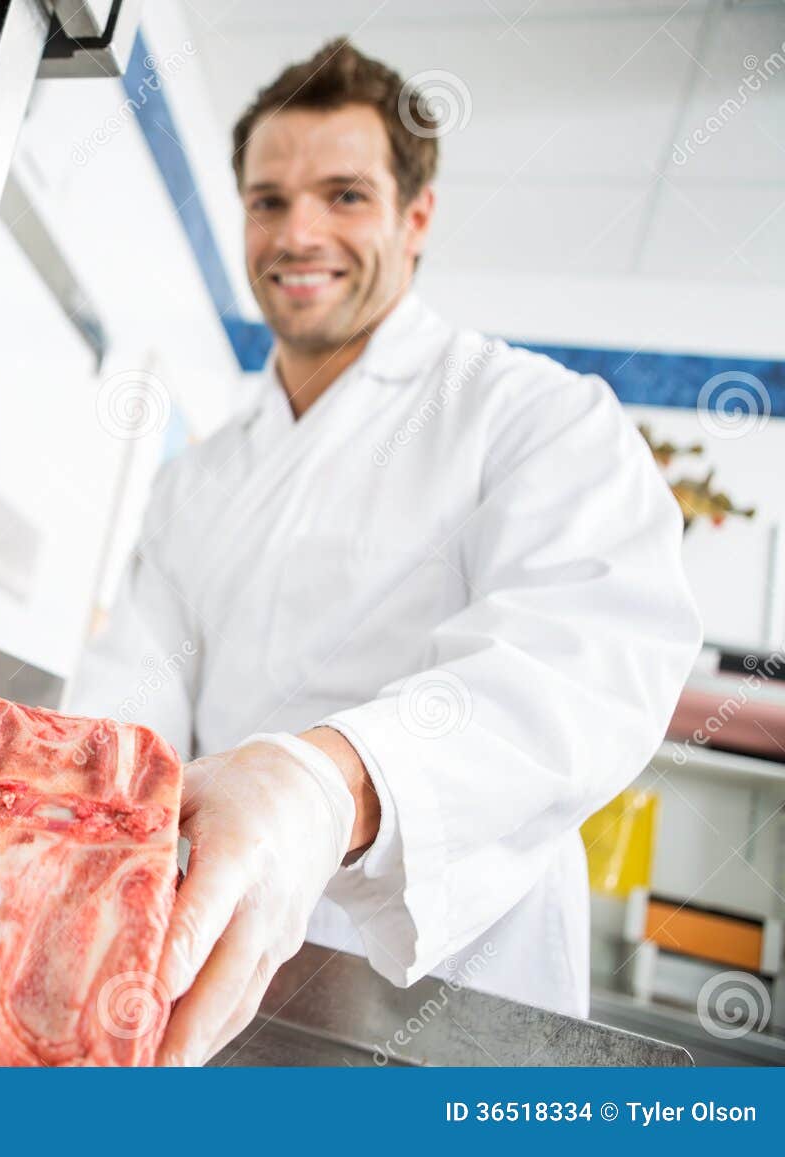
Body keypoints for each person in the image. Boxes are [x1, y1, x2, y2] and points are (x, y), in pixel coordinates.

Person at [68, 38, 702, 1066]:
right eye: (267, 200)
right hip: (186, 969)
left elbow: (585, 660)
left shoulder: (532, 416)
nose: (297, 232)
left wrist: (327, 788)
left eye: (343, 195)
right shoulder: (200, 475)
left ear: (415, 218)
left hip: (442, 1011)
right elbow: (133, 686)